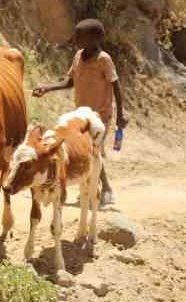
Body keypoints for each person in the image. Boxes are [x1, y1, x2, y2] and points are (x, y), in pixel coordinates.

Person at [32, 19, 127, 207]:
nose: (75, 39)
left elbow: (116, 87)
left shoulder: (104, 60)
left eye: (79, 36)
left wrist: (121, 115)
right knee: (90, 150)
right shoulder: (78, 56)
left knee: (94, 149)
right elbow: (69, 82)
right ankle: (94, 188)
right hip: (80, 116)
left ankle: (106, 189)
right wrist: (47, 88)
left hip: (101, 115)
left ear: (94, 39)